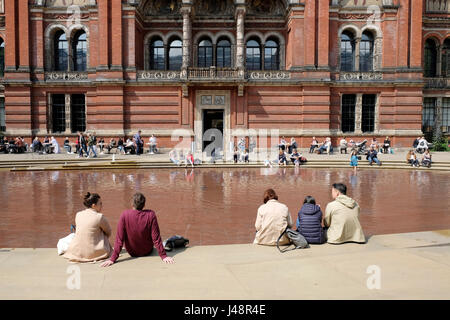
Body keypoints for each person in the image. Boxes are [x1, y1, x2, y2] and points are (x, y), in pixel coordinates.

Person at [100, 193, 175, 267]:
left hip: (132, 252)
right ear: (144, 205)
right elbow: (156, 238)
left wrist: (113, 259)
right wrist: (163, 256)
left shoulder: (125, 215)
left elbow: (119, 240)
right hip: (147, 251)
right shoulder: (151, 214)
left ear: (132, 204)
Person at [63, 192, 113, 262]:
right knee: (103, 232)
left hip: (78, 252)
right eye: (100, 204)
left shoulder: (78, 214)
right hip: (94, 253)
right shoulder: (99, 217)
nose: (102, 206)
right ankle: (97, 249)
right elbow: (109, 232)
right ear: (93, 205)